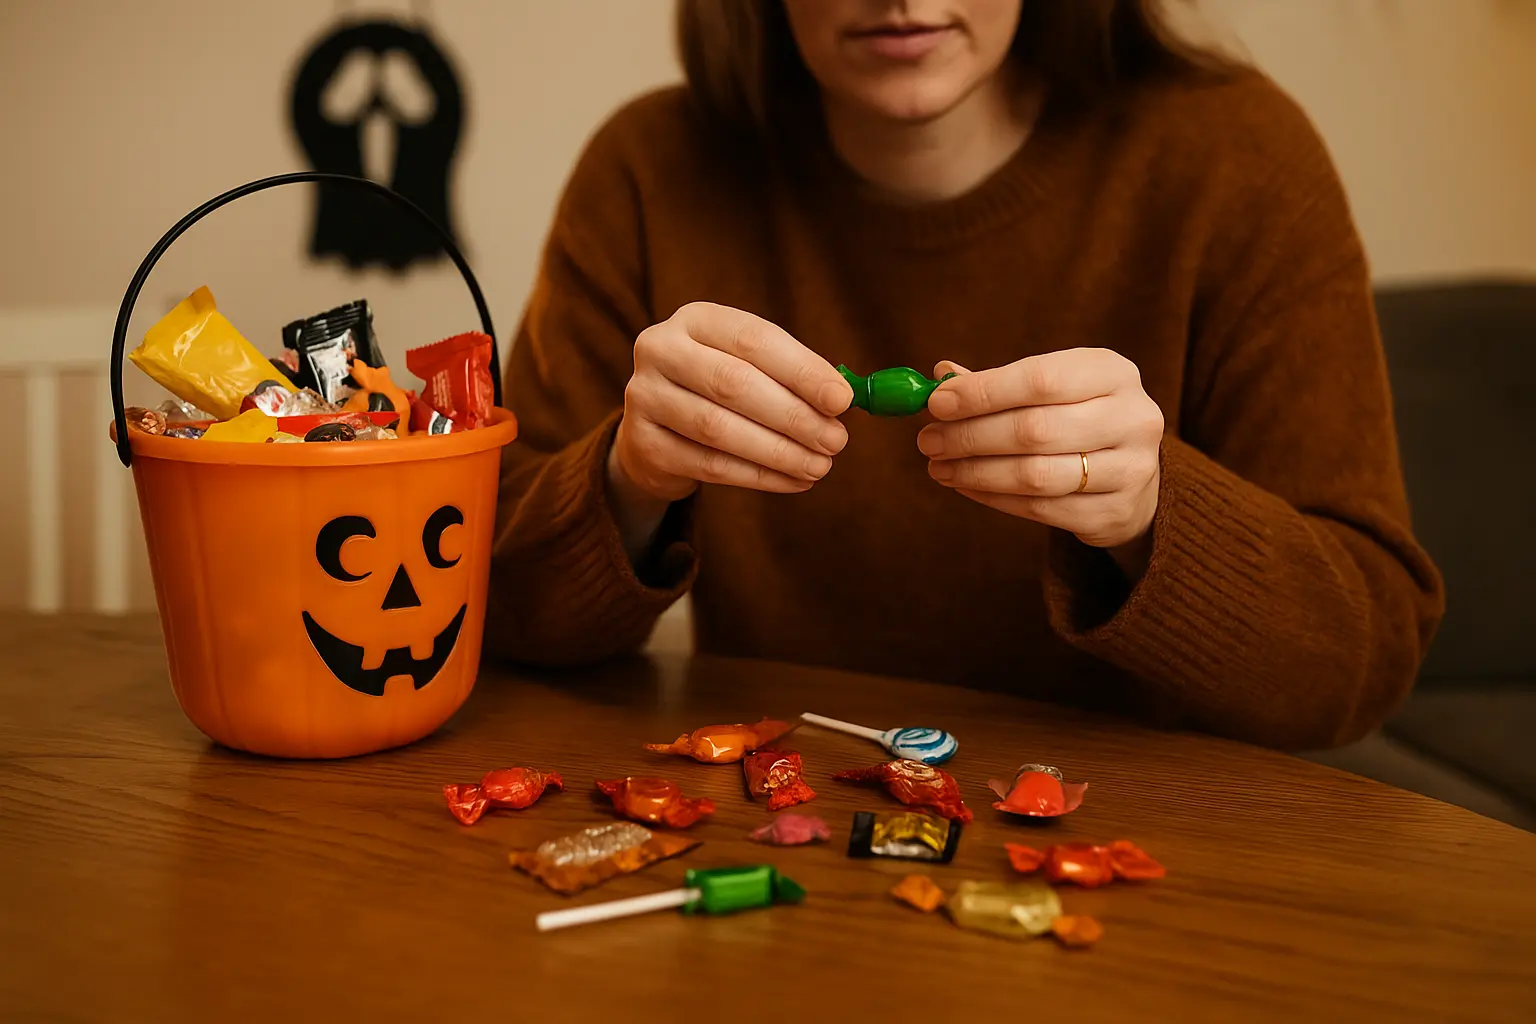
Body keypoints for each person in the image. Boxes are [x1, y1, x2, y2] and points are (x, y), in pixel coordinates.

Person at [485, 0, 1444, 750]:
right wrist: (629, 481)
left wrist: (1152, 512)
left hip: (1143, 861)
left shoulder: (1242, 162)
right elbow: (485, 605)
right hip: (783, 816)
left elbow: (1362, 659)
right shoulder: (649, 171)